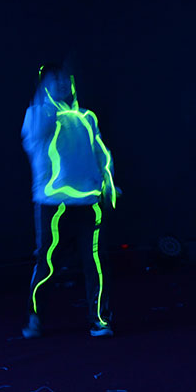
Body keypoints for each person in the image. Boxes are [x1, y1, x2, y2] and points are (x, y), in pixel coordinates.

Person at [20, 64, 117, 338]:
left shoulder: (86, 117)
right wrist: (44, 96)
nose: (63, 83)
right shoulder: (37, 115)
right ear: (44, 86)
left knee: (96, 263)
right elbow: (36, 134)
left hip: (89, 203)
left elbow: (101, 152)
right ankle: (34, 317)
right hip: (53, 205)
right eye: (55, 80)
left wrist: (108, 183)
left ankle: (100, 320)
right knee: (48, 264)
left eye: (66, 78)